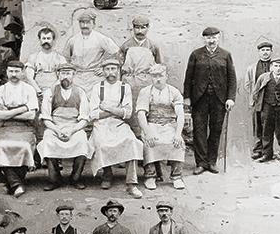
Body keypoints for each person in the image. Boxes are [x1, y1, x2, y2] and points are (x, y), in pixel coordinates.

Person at [87, 57, 145, 193]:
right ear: (103, 71)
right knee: (101, 143)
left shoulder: (125, 88)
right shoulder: (97, 88)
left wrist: (107, 108)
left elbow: (128, 113)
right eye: (107, 69)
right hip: (101, 124)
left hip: (119, 123)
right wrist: (116, 111)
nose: (110, 72)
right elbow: (93, 114)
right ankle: (107, 175)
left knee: (131, 141)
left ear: (118, 71)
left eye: (113, 69)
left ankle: (131, 182)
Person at [184, 26, 237, 175]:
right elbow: (188, 78)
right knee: (199, 130)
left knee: (216, 130)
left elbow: (232, 79)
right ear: (204, 39)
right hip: (199, 99)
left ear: (218, 38)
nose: (211, 40)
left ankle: (211, 162)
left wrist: (230, 98)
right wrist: (187, 97)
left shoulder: (226, 55)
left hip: (219, 99)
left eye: (214, 37)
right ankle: (201, 163)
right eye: (208, 38)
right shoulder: (196, 54)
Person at [36, 63, 91, 190]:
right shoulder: (50, 92)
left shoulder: (80, 92)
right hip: (55, 126)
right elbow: (46, 117)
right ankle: (54, 179)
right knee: (48, 141)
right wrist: (56, 129)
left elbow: (84, 118)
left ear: (73, 75)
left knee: (82, 141)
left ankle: (75, 178)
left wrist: (72, 130)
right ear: (58, 75)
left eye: (68, 73)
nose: (65, 76)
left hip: (74, 126)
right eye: (62, 73)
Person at [0, 61, 39, 197]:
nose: (14, 74)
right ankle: (16, 184)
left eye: (17, 71)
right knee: (1, 145)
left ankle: (11, 183)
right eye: (11, 71)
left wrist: (9, 112)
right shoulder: (1, 90)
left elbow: (31, 115)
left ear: (22, 72)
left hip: (26, 128)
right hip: (6, 128)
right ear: (6, 72)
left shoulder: (29, 89)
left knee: (23, 145)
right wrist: (23, 108)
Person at [136, 64, 187, 192]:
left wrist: (178, 134)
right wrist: (147, 132)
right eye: (154, 76)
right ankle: (150, 175)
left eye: (160, 76)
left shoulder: (174, 92)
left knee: (177, 143)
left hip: (170, 124)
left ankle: (176, 176)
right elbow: (141, 114)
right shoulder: (145, 92)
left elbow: (180, 114)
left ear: (166, 77)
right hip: (152, 123)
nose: (158, 79)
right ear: (150, 78)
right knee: (150, 142)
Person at [250, 57, 280, 164]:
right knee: (266, 131)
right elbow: (255, 92)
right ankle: (267, 154)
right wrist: (255, 104)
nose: (278, 68)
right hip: (267, 106)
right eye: (276, 66)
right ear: (271, 67)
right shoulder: (263, 77)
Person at [64, 10, 120, 91]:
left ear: (94, 24)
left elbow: (117, 53)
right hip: (77, 77)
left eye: (88, 22)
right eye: (82, 22)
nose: (85, 25)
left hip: (95, 77)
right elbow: (66, 58)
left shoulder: (101, 38)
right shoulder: (73, 40)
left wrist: (104, 69)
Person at [120, 15, 163, 93]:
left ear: (147, 28)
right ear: (133, 28)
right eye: (137, 28)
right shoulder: (126, 46)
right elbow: (120, 66)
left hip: (147, 83)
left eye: (143, 28)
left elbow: (159, 66)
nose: (140, 31)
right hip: (128, 83)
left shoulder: (153, 46)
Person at [23, 24, 68, 94]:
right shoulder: (33, 57)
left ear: (53, 40)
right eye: (44, 38)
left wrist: (51, 91)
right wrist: (38, 91)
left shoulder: (60, 58)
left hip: (56, 92)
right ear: (39, 40)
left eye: (48, 38)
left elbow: (63, 77)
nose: (46, 41)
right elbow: (29, 77)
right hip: (37, 92)